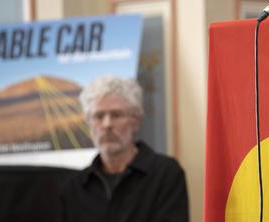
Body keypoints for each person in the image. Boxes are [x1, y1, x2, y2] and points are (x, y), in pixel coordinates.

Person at [60, 75, 188, 222]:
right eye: (99, 116)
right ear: (88, 124)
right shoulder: (74, 187)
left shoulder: (165, 174)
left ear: (136, 121)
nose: (107, 124)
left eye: (116, 115)